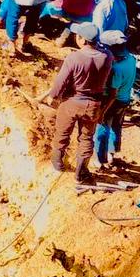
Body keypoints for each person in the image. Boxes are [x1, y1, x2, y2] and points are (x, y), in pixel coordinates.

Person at [43, 22, 111, 184]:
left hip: (72, 102)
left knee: (63, 133)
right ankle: (81, 173)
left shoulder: (74, 58)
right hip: (93, 105)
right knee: (87, 138)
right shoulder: (107, 57)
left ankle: (58, 162)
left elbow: (62, 80)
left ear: (81, 39)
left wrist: (53, 95)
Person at [91, 30, 134, 169]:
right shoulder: (131, 59)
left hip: (113, 102)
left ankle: (100, 159)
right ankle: (112, 153)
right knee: (116, 126)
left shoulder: (115, 69)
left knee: (102, 129)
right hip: (125, 99)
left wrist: (102, 111)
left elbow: (112, 93)